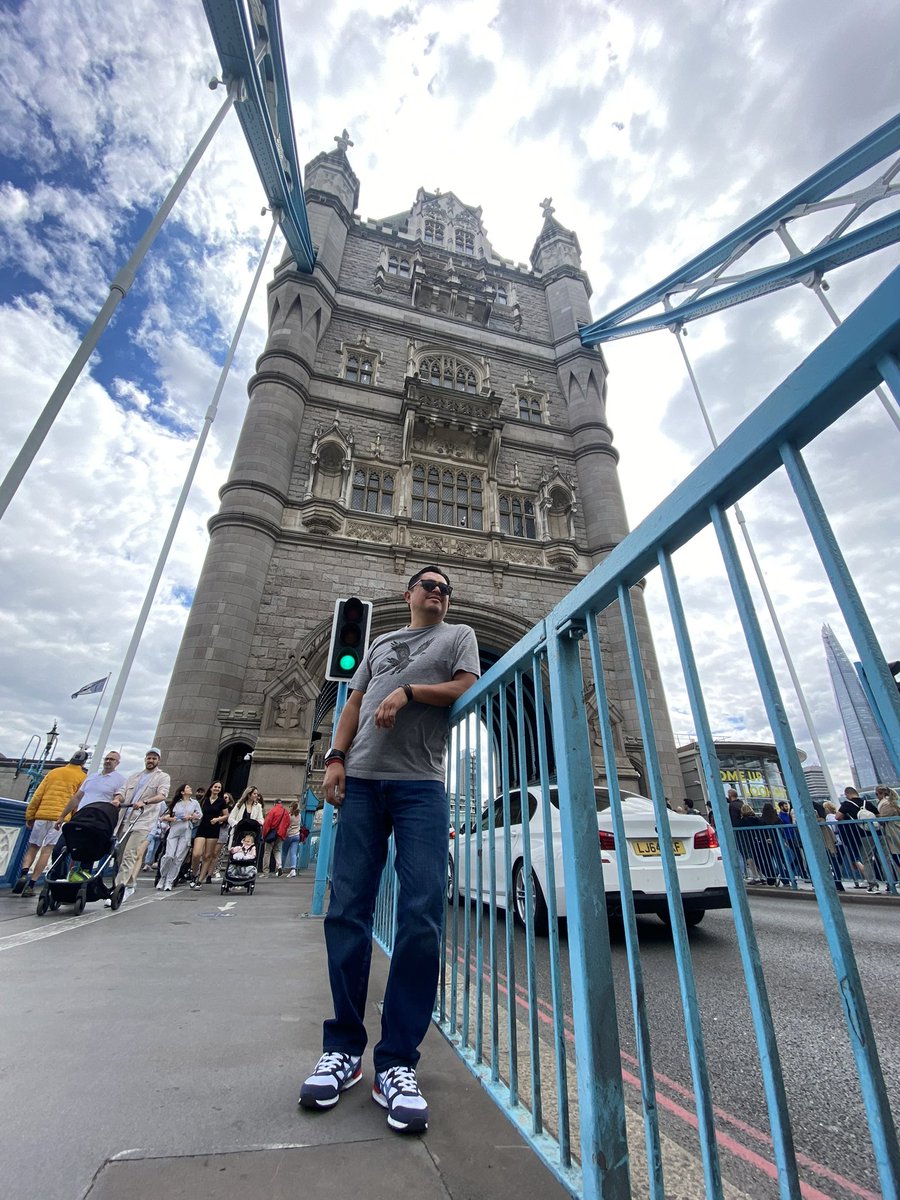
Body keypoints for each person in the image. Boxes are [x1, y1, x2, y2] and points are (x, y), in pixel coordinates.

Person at [299, 565, 479, 1134]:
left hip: (420, 786)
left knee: (422, 914)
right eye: (429, 585)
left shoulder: (459, 637)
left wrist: (407, 691)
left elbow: (465, 687)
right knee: (347, 910)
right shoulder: (377, 641)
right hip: (362, 781)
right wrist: (334, 758)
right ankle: (344, 1049)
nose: (439, 593)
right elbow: (350, 705)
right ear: (409, 595)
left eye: (446, 588)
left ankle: (397, 1063)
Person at [12, 751, 89, 897]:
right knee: (47, 850)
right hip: (60, 818)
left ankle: (23, 873)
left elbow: (38, 794)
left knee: (33, 847)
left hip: (42, 815)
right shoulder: (83, 778)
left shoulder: (54, 772)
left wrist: (30, 815)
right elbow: (77, 803)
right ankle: (32, 884)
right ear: (84, 763)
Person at [105, 748, 171, 906]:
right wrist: (117, 799)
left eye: (154, 758)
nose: (151, 760)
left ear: (158, 761)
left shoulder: (162, 777)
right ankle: (130, 884)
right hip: (125, 819)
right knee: (120, 855)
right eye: (149, 757)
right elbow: (121, 791)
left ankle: (118, 890)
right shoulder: (134, 776)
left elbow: (163, 795)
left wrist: (146, 802)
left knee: (130, 854)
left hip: (143, 820)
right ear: (145, 759)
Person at [157, 784, 202, 891]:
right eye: (187, 788)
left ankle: (169, 880)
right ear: (182, 792)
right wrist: (175, 818)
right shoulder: (175, 803)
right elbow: (164, 816)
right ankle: (162, 877)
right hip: (174, 829)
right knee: (169, 855)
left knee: (178, 858)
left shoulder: (194, 803)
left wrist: (193, 816)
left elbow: (199, 814)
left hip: (186, 830)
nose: (190, 788)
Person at [190, 780, 229, 887]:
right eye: (215, 787)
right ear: (211, 788)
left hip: (213, 829)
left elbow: (226, 815)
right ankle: (194, 873)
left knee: (207, 855)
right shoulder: (204, 800)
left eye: (219, 788)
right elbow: (197, 812)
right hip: (202, 827)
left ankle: (200, 880)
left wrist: (217, 819)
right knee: (196, 853)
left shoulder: (221, 801)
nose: (217, 789)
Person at [262, 797, 291, 875]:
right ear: (281, 804)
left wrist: (264, 835)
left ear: (274, 804)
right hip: (280, 834)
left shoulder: (272, 811)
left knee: (267, 852)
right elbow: (288, 824)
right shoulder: (286, 812)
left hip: (271, 834)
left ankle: (266, 872)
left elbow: (267, 824)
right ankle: (279, 866)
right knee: (277, 850)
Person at [281, 801, 304, 877]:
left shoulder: (289, 816)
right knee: (293, 853)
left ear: (291, 807)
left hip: (288, 836)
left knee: (284, 852)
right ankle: (293, 869)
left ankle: (281, 869)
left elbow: (285, 825)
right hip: (296, 835)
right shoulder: (299, 815)